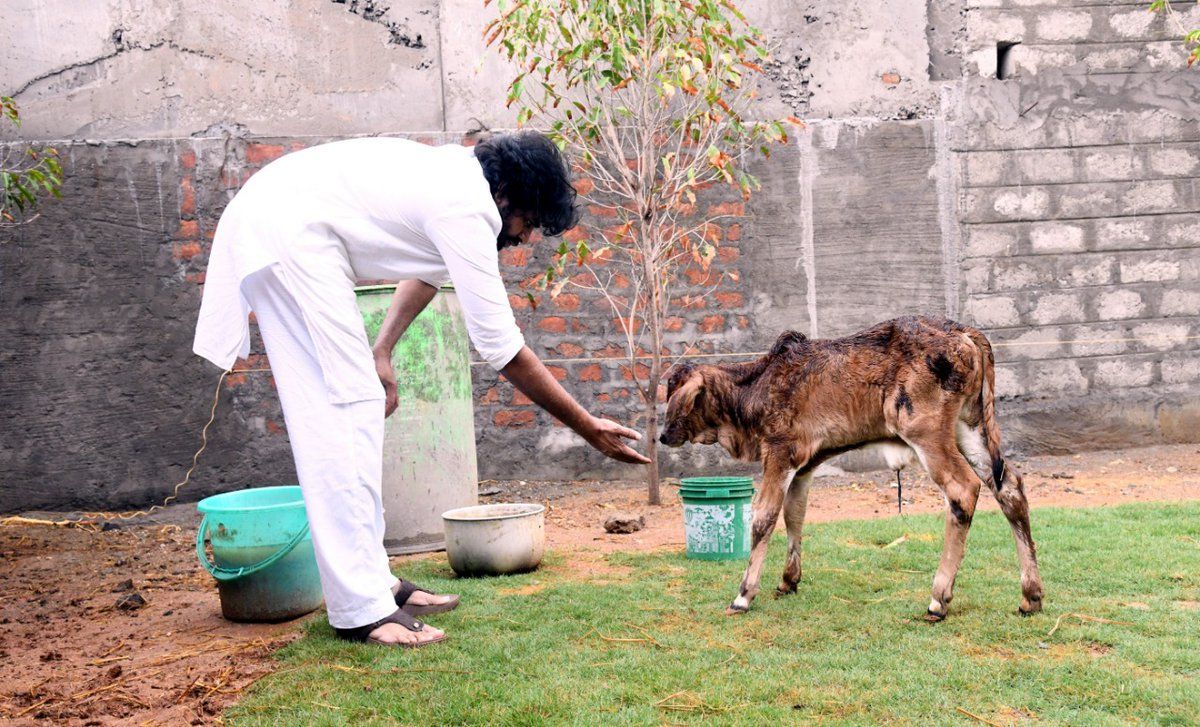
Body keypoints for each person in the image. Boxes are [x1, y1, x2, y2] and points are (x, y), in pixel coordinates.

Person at [193, 131, 649, 647]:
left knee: (357, 400)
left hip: (289, 224)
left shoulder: (458, 184)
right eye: (529, 223)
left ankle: (374, 584)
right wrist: (585, 426)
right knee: (342, 412)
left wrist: (382, 350)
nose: (526, 239)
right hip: (283, 230)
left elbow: (427, 274)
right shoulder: (467, 206)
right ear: (507, 197)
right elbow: (501, 348)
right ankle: (360, 610)